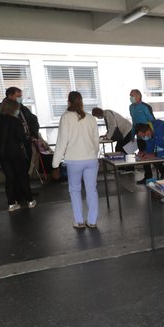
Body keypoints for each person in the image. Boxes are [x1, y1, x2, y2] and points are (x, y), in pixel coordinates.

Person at [52, 91, 100, 228]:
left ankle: (79, 221)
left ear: (69, 101)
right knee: (92, 189)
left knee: (75, 190)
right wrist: (93, 154)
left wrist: (55, 164)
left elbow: (62, 142)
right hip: (91, 159)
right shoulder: (91, 118)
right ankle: (92, 221)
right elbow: (96, 140)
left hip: (74, 160)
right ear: (81, 102)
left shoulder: (65, 118)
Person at [0, 98, 36, 211]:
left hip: (1, 154)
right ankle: (30, 200)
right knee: (22, 176)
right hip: (16, 153)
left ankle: (11, 204)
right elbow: (21, 138)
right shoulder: (15, 121)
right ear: (13, 108)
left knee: (9, 177)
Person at [0, 86, 40, 169]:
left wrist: (33, 135)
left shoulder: (23, 108)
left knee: (24, 170)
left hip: (24, 145)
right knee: (12, 174)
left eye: (21, 96)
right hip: (6, 148)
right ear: (10, 96)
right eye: (18, 96)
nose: (20, 98)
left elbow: (33, 120)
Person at [129, 89, 160, 183]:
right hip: (139, 136)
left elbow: (152, 120)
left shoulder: (145, 107)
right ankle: (147, 177)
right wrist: (132, 135)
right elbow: (134, 122)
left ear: (139, 96)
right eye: (130, 96)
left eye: (132, 96)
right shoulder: (131, 107)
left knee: (151, 155)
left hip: (148, 135)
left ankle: (163, 172)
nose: (131, 98)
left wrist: (153, 134)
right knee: (142, 156)